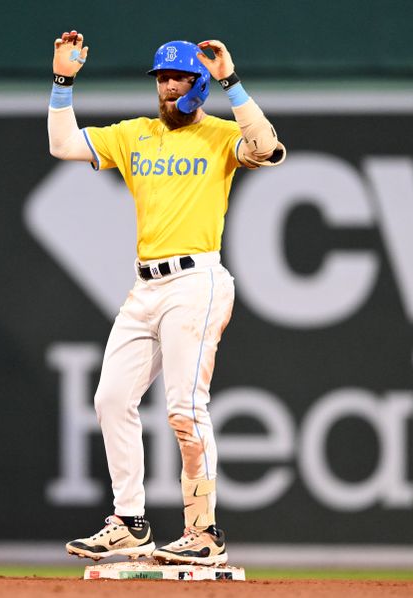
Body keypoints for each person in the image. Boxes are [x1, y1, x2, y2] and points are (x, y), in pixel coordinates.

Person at [48, 30, 286, 566]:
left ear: (199, 84)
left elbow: (267, 148)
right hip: (145, 286)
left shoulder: (222, 136)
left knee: (183, 408)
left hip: (196, 280)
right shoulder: (136, 135)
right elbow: (62, 144)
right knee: (110, 398)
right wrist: (63, 81)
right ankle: (130, 522)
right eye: (161, 78)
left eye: (179, 77)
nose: (168, 87)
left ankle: (203, 532)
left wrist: (232, 81)